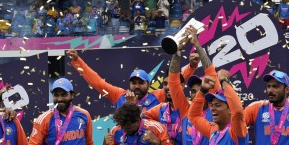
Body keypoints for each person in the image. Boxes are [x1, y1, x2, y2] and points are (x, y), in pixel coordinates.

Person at [65, 49, 194, 110]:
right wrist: (77, 61)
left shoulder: (158, 96)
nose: (136, 86)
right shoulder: (119, 95)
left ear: (148, 84)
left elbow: (175, 83)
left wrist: (192, 67)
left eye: (140, 83)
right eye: (133, 83)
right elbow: (97, 82)